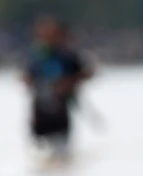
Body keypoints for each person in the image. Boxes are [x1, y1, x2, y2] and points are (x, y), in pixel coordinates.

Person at [22, 17, 92, 147]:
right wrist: (29, 81)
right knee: (40, 149)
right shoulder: (35, 56)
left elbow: (88, 72)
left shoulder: (67, 56)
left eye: (52, 34)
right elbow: (25, 76)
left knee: (62, 148)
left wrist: (68, 83)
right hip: (40, 110)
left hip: (61, 111)